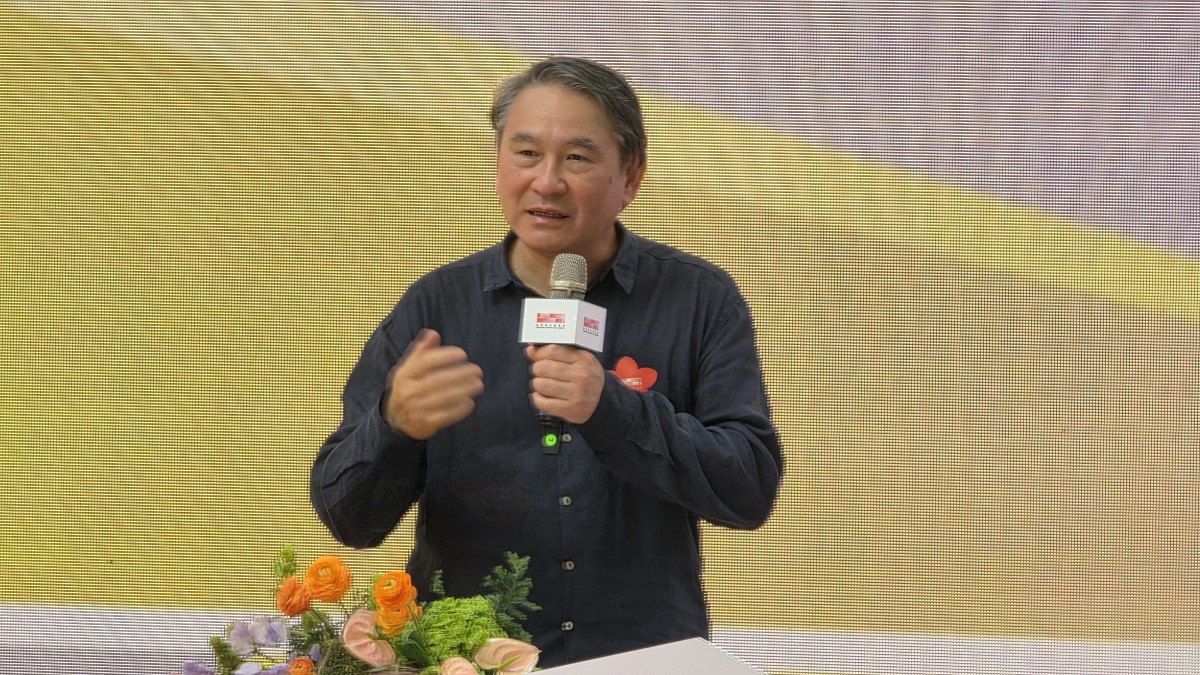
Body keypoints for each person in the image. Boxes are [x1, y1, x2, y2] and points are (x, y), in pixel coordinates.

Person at [309, 56, 782, 667]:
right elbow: (347, 518)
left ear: (631, 176)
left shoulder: (697, 299)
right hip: (470, 660)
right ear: (498, 161)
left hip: (643, 657)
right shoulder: (437, 307)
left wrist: (614, 409)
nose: (547, 181)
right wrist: (393, 427)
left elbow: (748, 489)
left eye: (577, 158)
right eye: (527, 153)